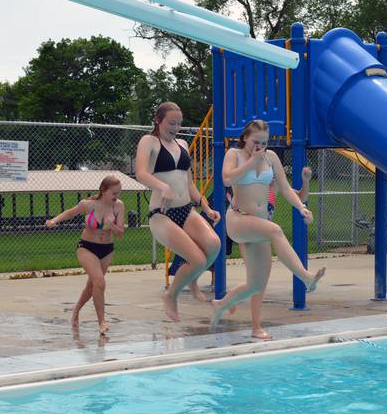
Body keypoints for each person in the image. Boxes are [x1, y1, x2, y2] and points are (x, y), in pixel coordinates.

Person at [212, 119, 325, 338]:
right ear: (245, 137)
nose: (260, 147)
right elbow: (226, 179)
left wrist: (301, 207)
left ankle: (234, 313)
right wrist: (251, 162)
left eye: (265, 142)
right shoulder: (234, 155)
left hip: (259, 224)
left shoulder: (271, 157)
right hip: (238, 219)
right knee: (276, 231)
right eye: (256, 141)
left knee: (256, 284)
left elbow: (284, 188)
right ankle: (306, 277)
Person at [135, 102, 221, 321]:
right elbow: (141, 173)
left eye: (179, 123)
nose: (176, 127)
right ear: (158, 120)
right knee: (197, 260)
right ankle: (170, 296)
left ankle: (191, 279)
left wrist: (206, 207)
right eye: (171, 122)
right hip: (162, 214)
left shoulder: (182, 143)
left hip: (186, 210)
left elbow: (190, 184)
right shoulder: (149, 142)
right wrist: (162, 186)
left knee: (214, 245)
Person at [239, 166, 313, 339]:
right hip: (248, 234)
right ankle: (249, 321)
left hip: (263, 235)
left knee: (258, 283)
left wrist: (306, 181)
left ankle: (235, 308)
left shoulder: (276, 186)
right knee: (254, 281)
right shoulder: (251, 184)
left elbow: (301, 197)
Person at [46, 176, 125, 335]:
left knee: (92, 286)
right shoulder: (88, 205)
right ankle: (102, 322)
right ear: (103, 190)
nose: (117, 196)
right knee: (99, 281)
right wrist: (54, 220)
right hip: (87, 247)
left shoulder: (119, 206)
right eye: (114, 193)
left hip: (107, 249)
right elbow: (70, 213)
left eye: (119, 193)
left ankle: (75, 311)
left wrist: (112, 227)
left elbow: (120, 234)